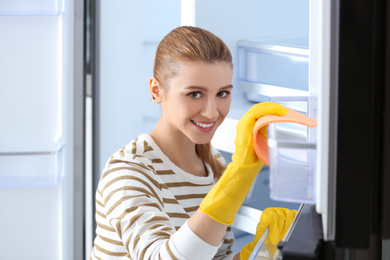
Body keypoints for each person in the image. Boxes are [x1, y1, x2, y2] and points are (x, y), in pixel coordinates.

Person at [90, 26, 296, 260]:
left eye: (222, 94)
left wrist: (260, 252)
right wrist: (236, 181)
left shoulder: (213, 163)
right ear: (156, 90)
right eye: (195, 94)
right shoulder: (127, 173)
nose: (211, 113)